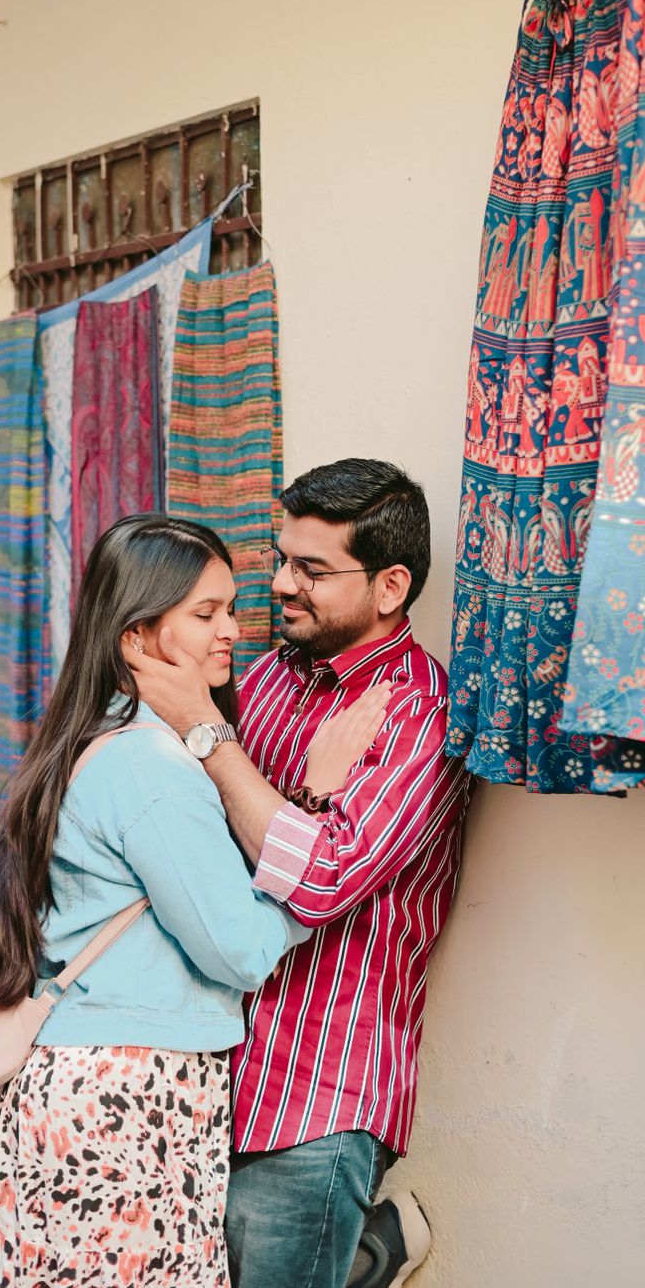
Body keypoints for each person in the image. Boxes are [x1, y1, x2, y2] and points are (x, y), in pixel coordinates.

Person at [0, 514, 388, 1288]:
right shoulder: (153, 765)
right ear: (137, 637)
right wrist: (313, 815)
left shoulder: (98, 738)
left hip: (76, 1087)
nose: (231, 632)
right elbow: (241, 947)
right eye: (205, 614)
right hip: (125, 1097)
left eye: (231, 609)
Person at [127, 459, 472, 1288]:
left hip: (320, 1092)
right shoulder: (276, 672)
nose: (282, 585)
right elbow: (213, 833)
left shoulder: (419, 711)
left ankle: (364, 1244)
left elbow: (316, 881)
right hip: (214, 1064)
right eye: (281, 560)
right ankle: (367, 1251)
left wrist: (212, 736)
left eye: (312, 570)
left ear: (390, 586)